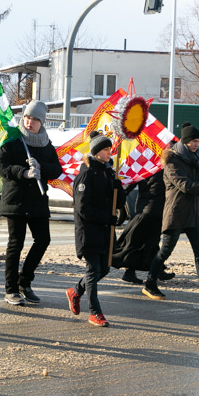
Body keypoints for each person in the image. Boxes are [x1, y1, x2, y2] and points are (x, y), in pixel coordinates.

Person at [141, 122, 199, 306]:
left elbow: (198, 182)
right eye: (193, 142)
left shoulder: (196, 156)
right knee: (165, 251)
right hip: (176, 213)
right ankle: (150, 283)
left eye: (198, 141)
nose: (196, 145)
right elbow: (186, 186)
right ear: (184, 141)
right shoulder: (172, 160)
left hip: (193, 213)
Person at [0, 101, 62, 305]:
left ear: (42, 122)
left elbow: (56, 168)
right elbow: (1, 165)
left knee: (43, 240)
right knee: (16, 243)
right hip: (16, 199)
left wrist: (41, 167)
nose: (29, 121)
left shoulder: (45, 143)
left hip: (38, 200)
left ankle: (25, 281)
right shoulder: (14, 139)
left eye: (34, 119)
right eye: (27, 117)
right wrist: (23, 172)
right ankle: (11, 289)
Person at [65, 131, 124, 326]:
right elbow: (83, 208)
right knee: (92, 271)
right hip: (89, 232)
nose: (109, 152)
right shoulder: (86, 174)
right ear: (97, 152)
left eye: (109, 149)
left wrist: (118, 187)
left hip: (106, 231)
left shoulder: (108, 172)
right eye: (106, 149)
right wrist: (106, 218)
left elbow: (118, 202)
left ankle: (75, 291)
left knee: (105, 269)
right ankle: (95, 312)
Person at [111, 169, 176, 285]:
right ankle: (154, 271)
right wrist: (118, 196)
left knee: (148, 242)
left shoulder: (147, 167)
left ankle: (137, 272)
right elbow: (132, 183)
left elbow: (131, 183)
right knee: (144, 242)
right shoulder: (153, 167)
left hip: (151, 209)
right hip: (150, 209)